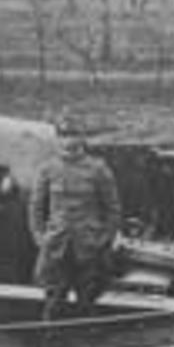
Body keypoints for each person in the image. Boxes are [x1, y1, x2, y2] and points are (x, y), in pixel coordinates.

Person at [28, 116, 123, 321]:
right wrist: (40, 238)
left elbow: (113, 209)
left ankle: (86, 338)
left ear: (82, 138)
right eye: (63, 135)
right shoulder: (48, 168)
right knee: (54, 303)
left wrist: (104, 239)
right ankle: (52, 338)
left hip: (88, 246)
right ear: (58, 139)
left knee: (87, 303)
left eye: (73, 135)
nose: (68, 141)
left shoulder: (98, 169)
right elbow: (36, 207)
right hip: (57, 246)